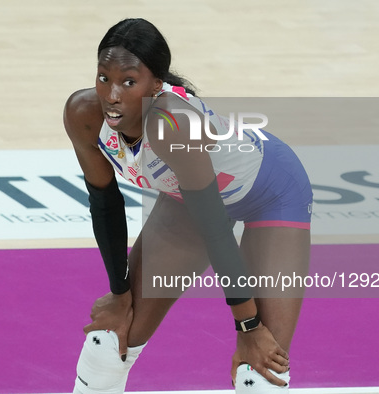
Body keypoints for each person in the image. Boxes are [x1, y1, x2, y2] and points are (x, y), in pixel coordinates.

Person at [63, 18, 313, 393]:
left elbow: (216, 228)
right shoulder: (84, 115)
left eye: (128, 82)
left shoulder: (173, 125)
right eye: (103, 77)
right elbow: (105, 204)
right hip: (188, 201)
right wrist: (120, 293)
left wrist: (248, 327)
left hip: (273, 194)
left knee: (260, 371)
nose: (112, 94)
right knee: (109, 340)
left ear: (156, 85)